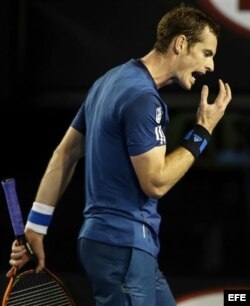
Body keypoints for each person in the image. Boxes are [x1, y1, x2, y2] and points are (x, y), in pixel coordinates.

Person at [7, 5, 232, 306]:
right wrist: (203, 130)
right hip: (123, 247)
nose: (211, 66)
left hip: (114, 246)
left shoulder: (108, 82)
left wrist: (35, 227)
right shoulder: (143, 98)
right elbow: (155, 183)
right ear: (181, 44)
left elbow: (65, 153)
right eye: (207, 53)